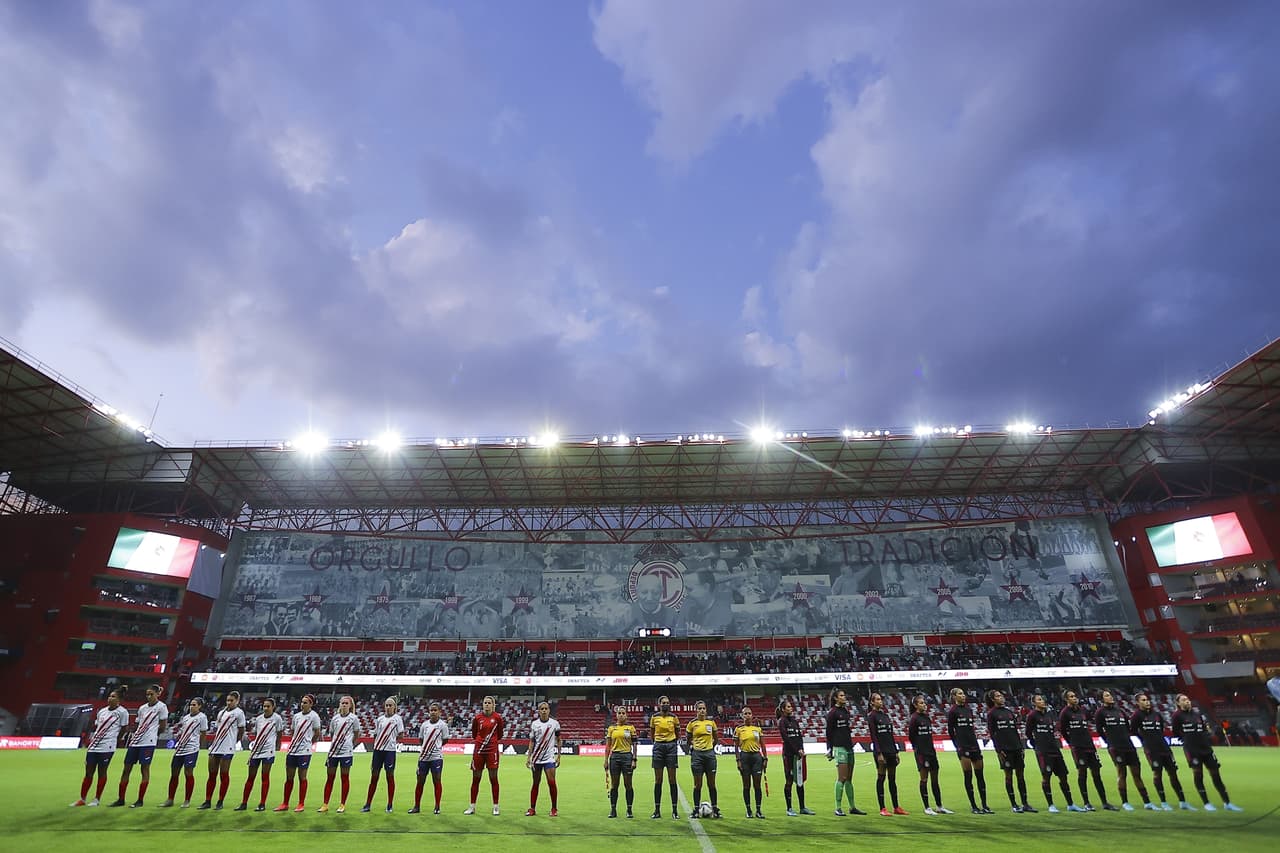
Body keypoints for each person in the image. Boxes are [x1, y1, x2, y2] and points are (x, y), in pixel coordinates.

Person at [1170, 694, 1243, 812]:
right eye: (1184, 700)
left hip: (1206, 748)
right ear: (1178, 703)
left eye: (1188, 699)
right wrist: (1187, 739)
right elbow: (1175, 731)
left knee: (1215, 774)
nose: (1187, 701)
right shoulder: (1177, 716)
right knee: (1198, 775)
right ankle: (1206, 803)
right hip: (1192, 750)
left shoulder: (1196, 713)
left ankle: (1227, 802)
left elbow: (1204, 727)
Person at [109, 683, 168, 807]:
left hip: (148, 743)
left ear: (157, 694)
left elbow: (162, 727)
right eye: (147, 694)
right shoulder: (142, 708)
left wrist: (151, 735)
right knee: (126, 769)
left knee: (144, 769)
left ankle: (140, 800)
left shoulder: (162, 707)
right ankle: (121, 799)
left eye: (151, 694)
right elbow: (137, 724)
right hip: (135, 742)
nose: (149, 697)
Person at [1094, 689, 1154, 810]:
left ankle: (1147, 802)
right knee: (1122, 774)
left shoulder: (1120, 711)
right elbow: (1099, 730)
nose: (1110, 697)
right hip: (1116, 748)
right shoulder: (1100, 712)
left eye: (1110, 695)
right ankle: (1125, 802)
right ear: (1101, 699)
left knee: (1137, 774)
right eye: (1106, 696)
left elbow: (1128, 727)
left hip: (1129, 746)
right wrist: (1109, 742)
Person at [1131, 692, 1190, 810]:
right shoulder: (1136, 716)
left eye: (1147, 699)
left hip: (1164, 748)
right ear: (1137, 703)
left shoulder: (1157, 714)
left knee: (1173, 773)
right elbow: (1133, 730)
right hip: (1151, 750)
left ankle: (1182, 801)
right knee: (1157, 774)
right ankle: (1163, 802)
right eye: (1143, 700)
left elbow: (1161, 728)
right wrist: (1145, 739)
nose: (1147, 702)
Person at [1059, 689, 1116, 811]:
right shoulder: (1065, 713)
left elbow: (1090, 722)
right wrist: (1072, 743)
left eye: (1075, 696)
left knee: (1096, 773)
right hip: (1078, 747)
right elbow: (1063, 731)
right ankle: (1086, 803)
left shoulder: (1083, 710)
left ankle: (1105, 802)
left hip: (1090, 745)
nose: (1075, 698)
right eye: (1071, 696)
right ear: (1066, 699)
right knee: (1082, 773)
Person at [71, 688, 129, 807]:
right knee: (88, 773)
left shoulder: (123, 712)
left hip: (107, 747)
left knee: (102, 772)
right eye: (109, 696)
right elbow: (97, 726)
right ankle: (82, 799)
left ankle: (96, 799)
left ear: (119, 700)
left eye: (113, 696)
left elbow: (124, 728)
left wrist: (116, 740)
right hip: (94, 746)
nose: (110, 698)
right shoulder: (102, 711)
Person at [1026, 693, 1078, 813]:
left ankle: (1070, 804)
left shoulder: (1050, 714)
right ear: (1034, 703)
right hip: (1043, 751)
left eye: (1043, 699)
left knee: (1063, 777)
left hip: (1055, 749)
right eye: (1039, 699)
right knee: (1046, 777)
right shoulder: (1032, 716)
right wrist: (1037, 745)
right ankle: (1051, 805)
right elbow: (1028, 733)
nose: (1042, 701)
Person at [985, 689, 1034, 813]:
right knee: (1008, 776)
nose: (1001, 697)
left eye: (1001, 695)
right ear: (993, 699)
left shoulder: (1009, 712)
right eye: (998, 696)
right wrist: (998, 749)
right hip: (1005, 749)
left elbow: (1015, 731)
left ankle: (1025, 803)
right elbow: (992, 733)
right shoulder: (992, 714)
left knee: (1021, 776)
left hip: (1016, 747)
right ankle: (1014, 804)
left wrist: (1021, 746)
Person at [946, 688, 992, 814]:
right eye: (960, 694)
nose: (963, 695)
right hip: (963, 746)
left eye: (963, 693)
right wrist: (957, 746)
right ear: (954, 696)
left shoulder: (968, 710)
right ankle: (974, 806)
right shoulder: (952, 711)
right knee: (968, 776)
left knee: (980, 776)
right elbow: (951, 731)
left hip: (974, 745)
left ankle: (984, 805)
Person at [198, 690, 246, 810]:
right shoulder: (221, 712)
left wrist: (234, 742)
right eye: (227, 700)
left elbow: (241, 730)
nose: (229, 703)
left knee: (224, 774)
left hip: (228, 747)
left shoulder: (239, 713)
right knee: (212, 774)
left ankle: (220, 801)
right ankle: (207, 800)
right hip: (216, 745)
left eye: (231, 700)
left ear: (237, 701)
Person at [276, 693, 322, 812]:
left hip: (304, 752)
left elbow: (317, 733)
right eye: (302, 702)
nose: (302, 704)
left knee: (302, 777)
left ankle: (301, 803)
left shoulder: (314, 716)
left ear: (311, 704)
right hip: (292, 750)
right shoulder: (296, 716)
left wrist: (309, 744)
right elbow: (292, 731)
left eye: (305, 702)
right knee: (289, 778)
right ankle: (285, 803)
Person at [906, 694, 951, 815]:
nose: (924, 704)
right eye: (921, 703)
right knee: (924, 779)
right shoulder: (914, 718)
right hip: (922, 753)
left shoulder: (927, 717)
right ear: (915, 705)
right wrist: (918, 749)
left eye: (924, 702)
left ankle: (939, 806)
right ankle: (927, 807)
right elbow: (911, 737)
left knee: (935, 780)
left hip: (931, 752)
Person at [236, 696, 282, 811]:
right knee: (250, 777)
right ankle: (244, 803)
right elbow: (257, 733)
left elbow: (279, 734)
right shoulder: (259, 719)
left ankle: (262, 803)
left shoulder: (277, 719)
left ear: (273, 707)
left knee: (264, 777)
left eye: (268, 706)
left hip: (268, 751)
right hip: (256, 750)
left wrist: (276, 747)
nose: (265, 708)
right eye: (264, 706)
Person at [317, 694, 362, 813]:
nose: (344, 705)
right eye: (342, 703)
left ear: (350, 705)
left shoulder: (354, 718)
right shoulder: (335, 718)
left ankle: (342, 804)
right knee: (330, 778)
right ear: (339, 705)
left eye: (346, 703)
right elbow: (332, 734)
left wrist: (349, 744)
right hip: (333, 752)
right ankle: (325, 804)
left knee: (344, 778)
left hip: (346, 752)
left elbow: (357, 734)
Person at [161, 697, 208, 808]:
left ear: (200, 706)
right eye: (191, 704)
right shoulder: (186, 718)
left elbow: (203, 733)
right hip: (180, 749)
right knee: (174, 774)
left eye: (194, 704)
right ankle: (170, 799)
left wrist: (198, 746)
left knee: (188, 773)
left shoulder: (202, 717)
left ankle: (187, 800)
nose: (191, 706)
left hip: (191, 749)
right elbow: (182, 731)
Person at [825, 688, 865, 816]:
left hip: (849, 747)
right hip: (839, 748)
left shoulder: (845, 711)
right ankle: (838, 807)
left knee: (849, 779)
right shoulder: (832, 713)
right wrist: (830, 749)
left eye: (844, 695)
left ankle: (852, 807)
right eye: (841, 695)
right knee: (842, 778)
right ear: (836, 698)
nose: (844, 697)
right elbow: (828, 732)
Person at [362, 697, 405, 813]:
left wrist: (390, 739)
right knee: (374, 777)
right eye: (386, 705)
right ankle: (368, 804)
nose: (388, 707)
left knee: (389, 777)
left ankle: (390, 804)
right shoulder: (380, 719)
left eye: (390, 705)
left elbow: (401, 735)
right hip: (378, 751)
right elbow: (376, 735)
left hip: (389, 751)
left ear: (395, 707)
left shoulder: (397, 719)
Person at [867, 692, 907, 816]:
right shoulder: (872, 716)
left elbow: (890, 735)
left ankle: (896, 807)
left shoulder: (885, 716)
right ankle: (882, 808)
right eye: (877, 699)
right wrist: (879, 753)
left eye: (881, 699)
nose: (880, 701)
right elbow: (874, 735)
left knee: (892, 779)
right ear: (872, 702)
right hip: (882, 751)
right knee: (881, 777)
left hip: (890, 750)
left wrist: (895, 752)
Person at [465, 695, 504, 815]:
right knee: (476, 779)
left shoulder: (498, 718)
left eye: (489, 703)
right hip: (479, 751)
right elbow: (474, 734)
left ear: (493, 705)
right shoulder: (477, 718)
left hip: (492, 751)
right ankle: (472, 806)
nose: (487, 704)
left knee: (493, 779)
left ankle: (496, 806)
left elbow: (500, 734)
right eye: (485, 702)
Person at [411, 700, 450, 814]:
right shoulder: (424, 725)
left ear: (439, 712)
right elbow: (421, 740)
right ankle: (416, 806)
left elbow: (445, 739)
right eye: (431, 710)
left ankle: (437, 807)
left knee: (436, 781)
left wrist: (436, 747)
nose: (433, 712)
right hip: (423, 758)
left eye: (435, 710)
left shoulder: (443, 725)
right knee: (420, 782)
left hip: (436, 758)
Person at [777, 697, 814, 816]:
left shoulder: (794, 721)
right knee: (789, 780)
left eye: (791, 706)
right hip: (788, 755)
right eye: (788, 707)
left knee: (800, 781)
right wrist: (796, 750)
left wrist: (801, 749)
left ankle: (802, 807)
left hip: (798, 754)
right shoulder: (782, 721)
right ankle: (789, 808)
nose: (790, 708)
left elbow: (799, 736)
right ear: (783, 709)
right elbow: (786, 739)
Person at [686, 700, 721, 818]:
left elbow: (716, 739)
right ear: (696, 710)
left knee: (712, 784)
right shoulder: (692, 724)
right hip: (697, 756)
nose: (702, 711)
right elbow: (688, 739)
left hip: (710, 755)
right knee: (697, 785)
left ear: (706, 710)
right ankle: (696, 810)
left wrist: (710, 748)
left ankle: (715, 809)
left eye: (703, 708)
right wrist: (696, 747)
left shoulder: (711, 723)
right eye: (699, 708)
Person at [526, 700, 562, 816]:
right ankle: (532, 808)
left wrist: (559, 756)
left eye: (546, 708)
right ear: (538, 711)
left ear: (549, 710)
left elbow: (559, 739)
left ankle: (554, 808)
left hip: (549, 759)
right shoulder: (534, 724)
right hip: (536, 758)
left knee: (551, 783)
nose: (544, 711)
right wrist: (529, 757)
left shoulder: (555, 724)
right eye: (542, 709)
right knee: (535, 783)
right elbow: (532, 741)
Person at [649, 694, 681, 819]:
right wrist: (658, 742)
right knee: (658, 780)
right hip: (658, 747)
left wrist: (671, 742)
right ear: (659, 704)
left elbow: (678, 733)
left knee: (672, 780)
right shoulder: (654, 717)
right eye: (663, 702)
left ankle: (675, 810)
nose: (665, 704)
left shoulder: (674, 717)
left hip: (671, 747)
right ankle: (657, 810)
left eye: (667, 702)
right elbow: (652, 734)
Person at [604, 707, 637, 818]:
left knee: (628, 784)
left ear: (626, 715)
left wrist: (634, 759)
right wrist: (605, 760)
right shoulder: (611, 728)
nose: (621, 715)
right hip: (615, 757)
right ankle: (613, 809)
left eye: (623, 713)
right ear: (616, 715)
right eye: (619, 713)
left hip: (627, 756)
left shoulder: (630, 728)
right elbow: (608, 745)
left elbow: (635, 744)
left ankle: (629, 809)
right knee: (614, 785)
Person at [735, 707, 767, 818]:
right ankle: (748, 810)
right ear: (742, 716)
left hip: (757, 757)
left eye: (749, 713)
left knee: (757, 785)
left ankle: (758, 810)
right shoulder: (739, 729)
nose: (748, 715)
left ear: (752, 715)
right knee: (746, 785)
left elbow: (762, 744)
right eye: (745, 714)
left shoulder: (757, 729)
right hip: (745, 757)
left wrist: (765, 758)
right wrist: (738, 760)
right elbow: (735, 746)